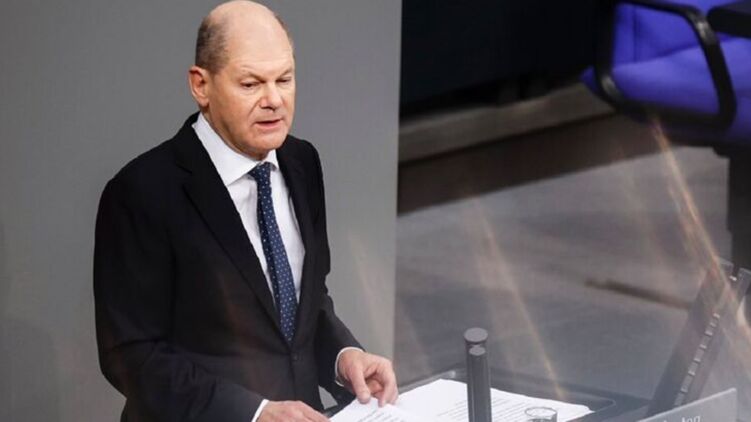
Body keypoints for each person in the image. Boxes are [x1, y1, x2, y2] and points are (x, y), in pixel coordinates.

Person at [93, 1, 397, 421]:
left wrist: (343, 357)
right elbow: (132, 356)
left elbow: (302, 307)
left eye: (284, 79)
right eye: (251, 84)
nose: (274, 100)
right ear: (201, 85)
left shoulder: (302, 162)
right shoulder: (141, 192)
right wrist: (254, 413)